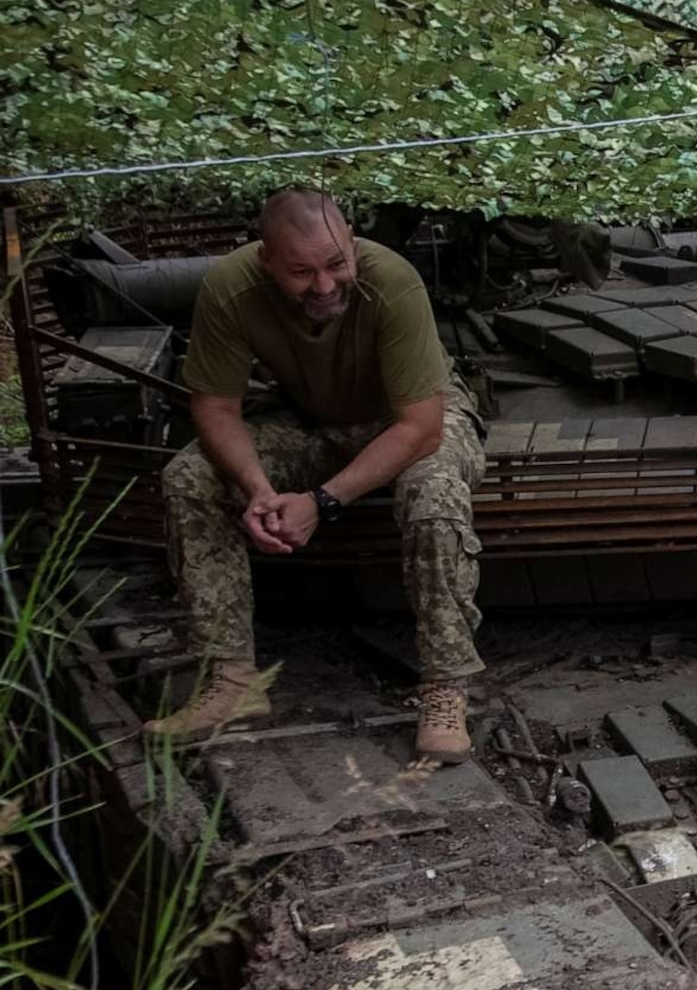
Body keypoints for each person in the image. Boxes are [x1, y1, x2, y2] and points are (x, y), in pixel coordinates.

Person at [147, 187, 487, 761]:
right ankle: (232, 681)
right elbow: (215, 408)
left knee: (434, 493)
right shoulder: (231, 286)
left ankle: (445, 687)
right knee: (189, 477)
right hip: (311, 418)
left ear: (353, 246)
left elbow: (420, 428)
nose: (324, 286)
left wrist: (321, 503)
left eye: (336, 264)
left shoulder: (394, 280)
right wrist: (258, 489)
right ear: (266, 261)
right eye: (301, 272)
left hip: (413, 413)